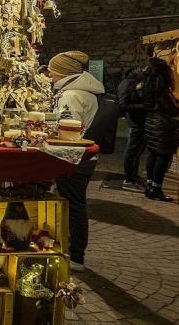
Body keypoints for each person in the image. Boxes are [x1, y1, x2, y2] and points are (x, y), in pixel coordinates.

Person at [48, 50, 104, 272]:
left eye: (53, 71)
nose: (50, 75)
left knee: (74, 205)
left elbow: (68, 131)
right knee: (76, 204)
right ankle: (75, 252)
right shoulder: (84, 92)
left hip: (74, 158)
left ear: (61, 72)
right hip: (83, 157)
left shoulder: (71, 95)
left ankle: (76, 255)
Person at [142, 57, 179, 202]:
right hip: (162, 126)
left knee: (153, 154)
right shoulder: (161, 90)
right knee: (163, 157)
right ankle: (156, 189)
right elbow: (172, 110)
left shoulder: (148, 86)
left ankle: (149, 186)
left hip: (151, 123)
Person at [118, 63, 149, 191]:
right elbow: (123, 104)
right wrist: (145, 106)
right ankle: (129, 179)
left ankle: (133, 177)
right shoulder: (128, 83)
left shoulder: (134, 82)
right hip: (135, 121)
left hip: (139, 120)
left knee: (136, 151)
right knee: (132, 150)